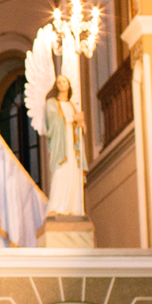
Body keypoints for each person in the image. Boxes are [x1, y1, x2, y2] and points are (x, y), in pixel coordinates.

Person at [44, 74, 87, 216]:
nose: (61, 84)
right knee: (60, 174)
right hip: (61, 147)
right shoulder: (52, 103)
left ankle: (73, 209)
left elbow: (83, 131)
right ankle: (56, 207)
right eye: (58, 82)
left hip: (73, 148)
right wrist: (72, 118)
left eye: (64, 81)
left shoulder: (73, 106)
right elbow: (53, 122)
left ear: (69, 85)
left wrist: (81, 122)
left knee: (73, 175)